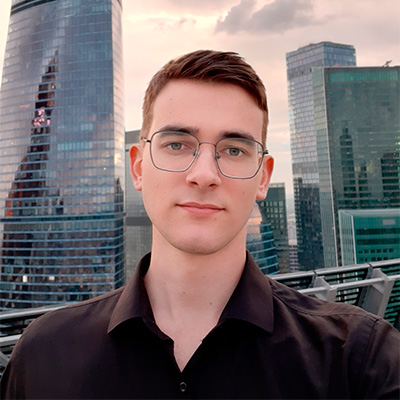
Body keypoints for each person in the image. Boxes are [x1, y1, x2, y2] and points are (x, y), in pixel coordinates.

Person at [1, 50, 399, 399]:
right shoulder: (44, 354)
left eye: (234, 150)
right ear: (138, 167)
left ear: (263, 177)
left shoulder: (360, 360)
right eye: (176, 145)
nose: (204, 174)